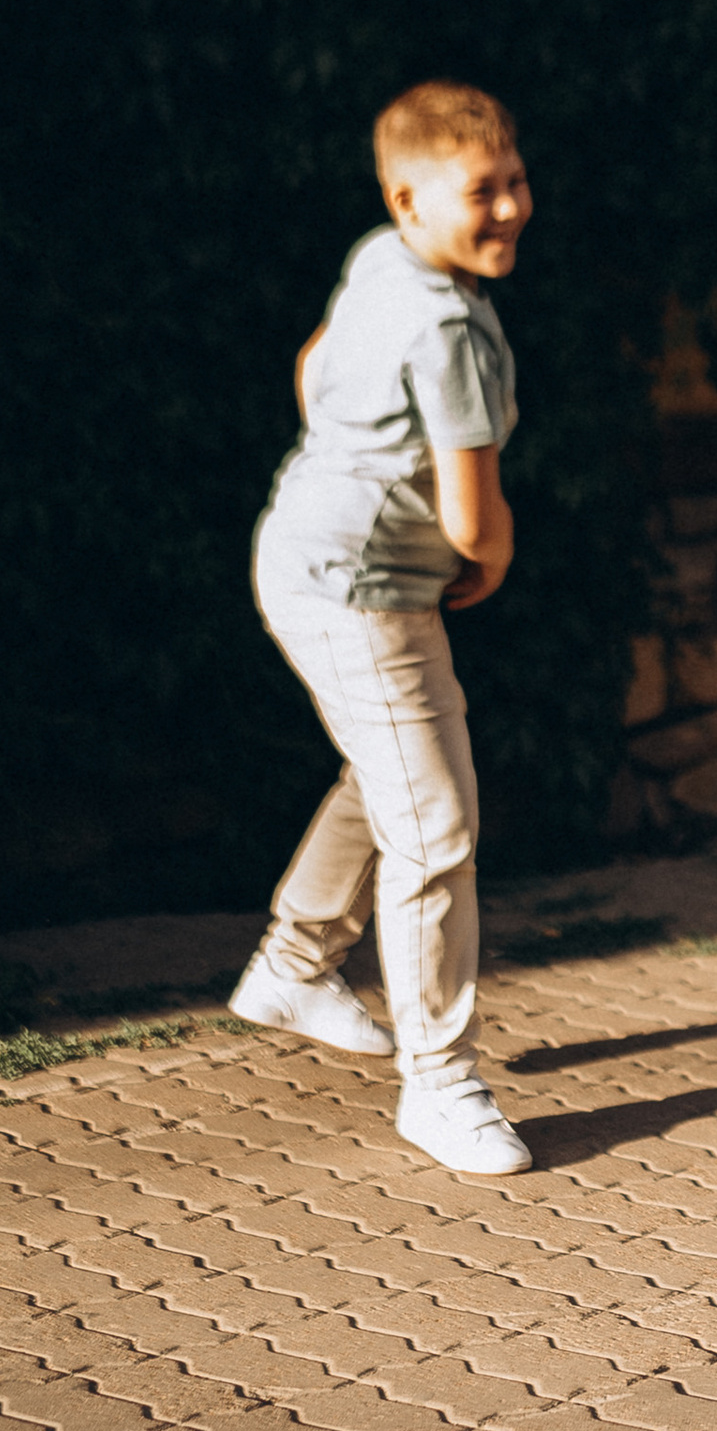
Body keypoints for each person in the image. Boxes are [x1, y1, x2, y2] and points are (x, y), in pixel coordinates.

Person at [231, 83, 534, 1179]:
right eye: (480, 191)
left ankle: (294, 967)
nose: (507, 208)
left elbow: (313, 365)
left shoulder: (381, 259)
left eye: (513, 183)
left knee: (392, 775)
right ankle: (439, 1081)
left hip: (312, 559)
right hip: (358, 586)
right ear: (411, 195)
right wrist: (491, 556)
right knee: (435, 825)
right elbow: (471, 509)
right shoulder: (447, 323)